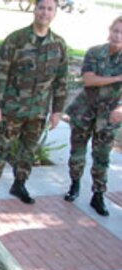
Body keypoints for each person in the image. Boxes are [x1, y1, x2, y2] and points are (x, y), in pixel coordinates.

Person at [0, 0, 68, 205]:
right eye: (41, 8)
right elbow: (0, 72)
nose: (44, 13)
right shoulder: (16, 39)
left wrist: (57, 111)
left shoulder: (59, 45)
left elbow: (61, 80)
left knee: (29, 149)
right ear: (35, 10)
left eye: (49, 9)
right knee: (0, 146)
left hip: (38, 110)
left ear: (54, 13)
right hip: (12, 107)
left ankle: (19, 184)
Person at [63, 16, 122, 216]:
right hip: (84, 112)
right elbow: (89, 80)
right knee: (77, 153)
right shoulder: (95, 53)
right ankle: (74, 185)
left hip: (109, 118)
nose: (118, 36)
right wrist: (117, 78)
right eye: (116, 30)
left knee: (102, 158)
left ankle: (98, 195)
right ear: (109, 30)